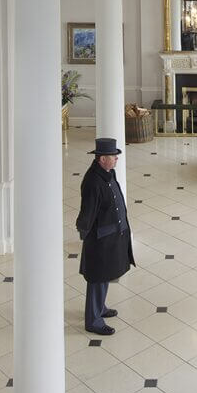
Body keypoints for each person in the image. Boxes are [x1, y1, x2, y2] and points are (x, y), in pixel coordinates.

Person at [75, 138, 135, 335]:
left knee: (105, 274)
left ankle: (99, 308)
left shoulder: (108, 173)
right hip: (100, 238)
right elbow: (88, 213)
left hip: (111, 234)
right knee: (97, 277)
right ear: (102, 159)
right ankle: (93, 320)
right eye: (113, 156)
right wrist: (87, 236)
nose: (116, 159)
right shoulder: (92, 182)